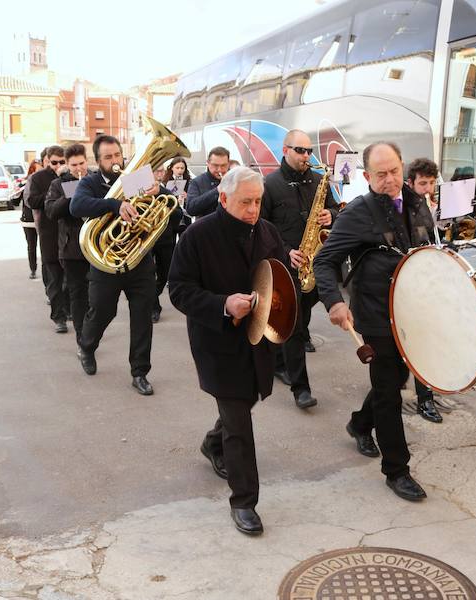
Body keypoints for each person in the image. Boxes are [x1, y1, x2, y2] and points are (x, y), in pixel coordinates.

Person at [168, 166, 286, 536]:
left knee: (245, 401)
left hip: (258, 339)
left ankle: (211, 443)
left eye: (257, 201)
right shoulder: (197, 235)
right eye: (245, 202)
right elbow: (178, 289)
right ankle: (244, 502)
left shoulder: (267, 231)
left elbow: (279, 277)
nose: (253, 209)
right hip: (217, 342)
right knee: (239, 423)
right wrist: (222, 304)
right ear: (223, 198)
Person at [313, 141, 434, 502]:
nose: (390, 179)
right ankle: (397, 470)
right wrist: (334, 302)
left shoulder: (417, 202)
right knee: (389, 390)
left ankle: (359, 423)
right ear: (366, 176)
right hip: (376, 313)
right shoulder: (357, 213)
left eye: (395, 171)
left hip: (412, 310)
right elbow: (324, 261)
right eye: (380, 174)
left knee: (396, 377)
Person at [70, 135, 159, 396]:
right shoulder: (91, 182)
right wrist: (115, 204)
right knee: (102, 312)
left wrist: (158, 192)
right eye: (108, 157)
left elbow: (171, 209)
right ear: (98, 161)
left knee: (142, 317)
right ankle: (87, 347)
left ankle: (140, 372)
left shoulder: (135, 179)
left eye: (117, 155)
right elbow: (77, 206)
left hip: (139, 261)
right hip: (106, 262)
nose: (114, 161)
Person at [261, 129, 339, 409]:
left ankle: (279, 363)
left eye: (309, 151)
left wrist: (332, 214)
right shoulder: (269, 184)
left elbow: (335, 211)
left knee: (301, 319)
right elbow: (261, 227)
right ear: (285, 150)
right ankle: (301, 388)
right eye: (300, 151)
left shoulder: (319, 180)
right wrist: (284, 250)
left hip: (313, 262)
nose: (306, 156)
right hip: (285, 262)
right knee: (293, 326)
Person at [403, 158, 444, 424]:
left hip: (426, 280)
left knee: (425, 341)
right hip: (408, 283)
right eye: (423, 183)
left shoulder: (426, 204)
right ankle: (421, 398)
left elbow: (430, 237)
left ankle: (425, 396)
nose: (428, 189)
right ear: (410, 183)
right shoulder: (404, 207)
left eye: (431, 183)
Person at [44, 144, 90, 346]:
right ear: (67, 165)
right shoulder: (58, 184)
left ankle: (91, 329)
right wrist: (71, 194)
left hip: (98, 246)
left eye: (81, 163)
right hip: (72, 250)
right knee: (78, 295)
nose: (78, 168)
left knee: (97, 296)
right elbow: (51, 211)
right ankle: (82, 338)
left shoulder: (95, 180)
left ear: (86, 161)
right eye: (74, 165)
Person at [27, 145, 69, 333]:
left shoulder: (73, 176)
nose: (58, 165)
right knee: (54, 279)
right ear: (47, 161)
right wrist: (54, 193)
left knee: (71, 278)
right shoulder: (38, 178)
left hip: (69, 234)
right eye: (54, 162)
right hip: (49, 233)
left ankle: (68, 310)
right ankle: (58, 317)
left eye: (62, 162)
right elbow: (32, 201)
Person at [151, 157, 192, 323]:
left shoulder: (165, 191)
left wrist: (172, 198)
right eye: (156, 171)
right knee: (147, 274)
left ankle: (152, 295)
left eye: (161, 170)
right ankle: (153, 307)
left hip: (165, 237)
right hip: (144, 239)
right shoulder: (136, 188)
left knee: (165, 272)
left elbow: (177, 215)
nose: (159, 174)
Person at [185, 146, 230, 217]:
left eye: (223, 165)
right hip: (206, 226)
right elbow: (191, 209)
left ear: (228, 164)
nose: (219, 170)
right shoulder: (197, 182)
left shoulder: (236, 180)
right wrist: (217, 190)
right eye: (215, 165)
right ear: (208, 163)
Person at [20, 159, 42, 280]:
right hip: (29, 219)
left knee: (45, 247)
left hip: (43, 219)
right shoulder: (28, 182)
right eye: (35, 170)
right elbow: (28, 201)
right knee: (31, 245)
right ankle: (33, 269)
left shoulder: (52, 180)